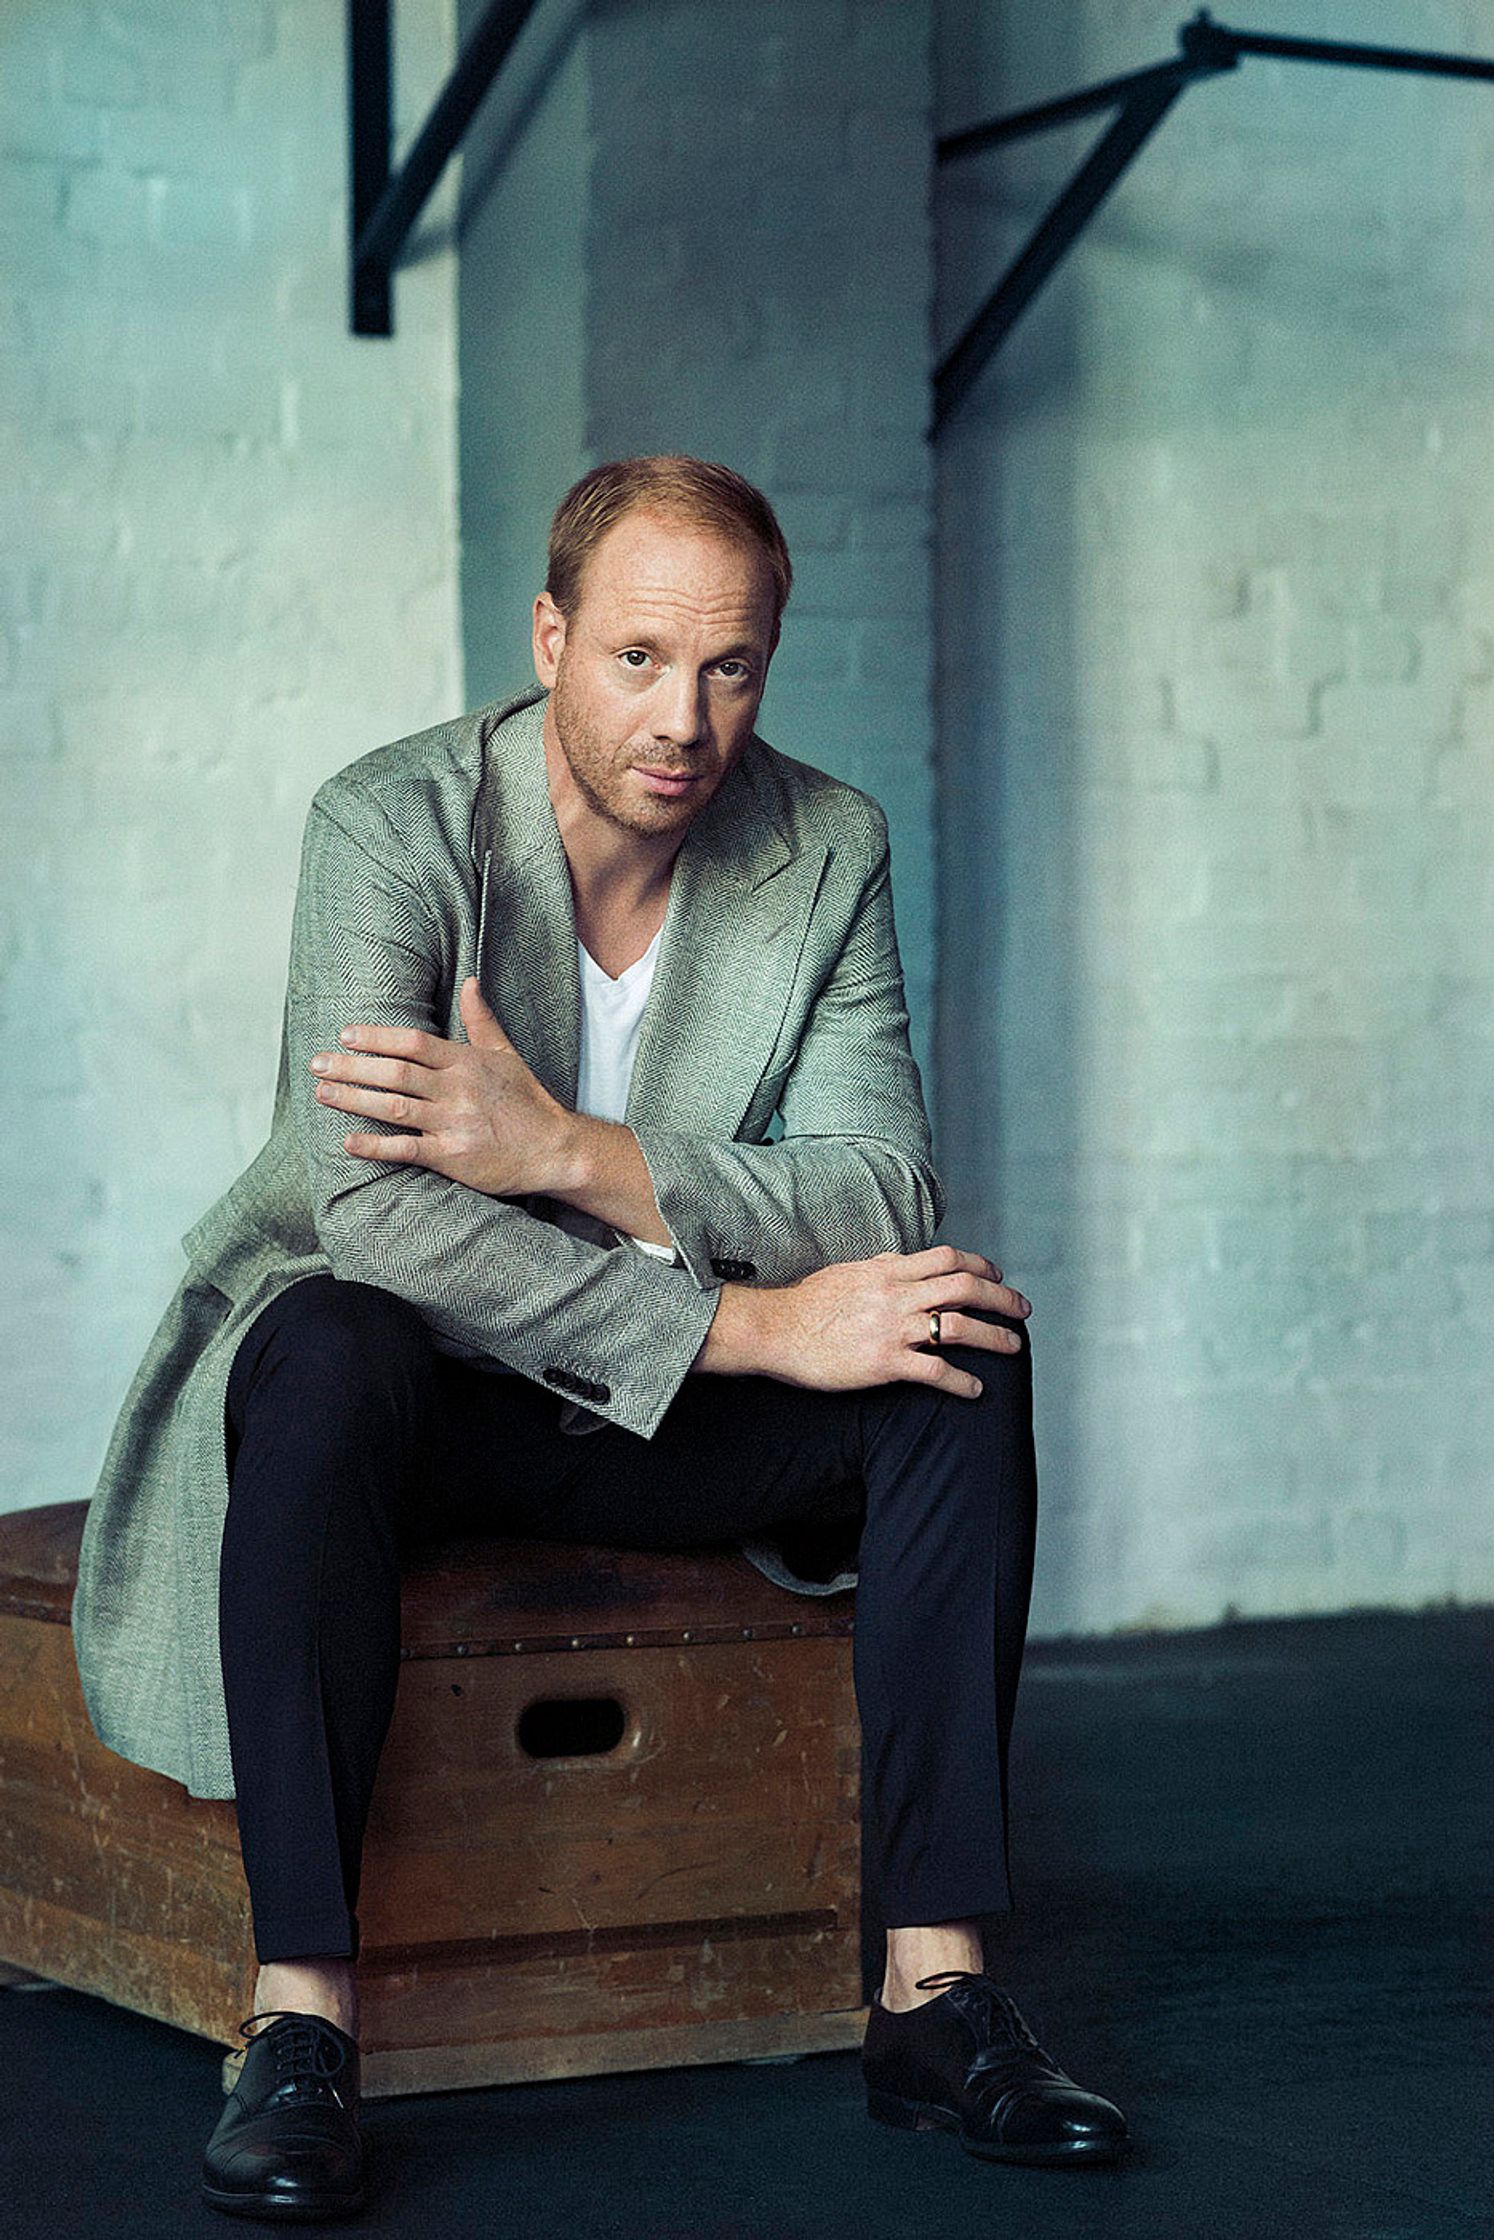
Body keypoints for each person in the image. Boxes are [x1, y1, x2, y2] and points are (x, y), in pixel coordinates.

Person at [72, 456, 1127, 2220]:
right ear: (550, 637)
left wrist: (571, 1154)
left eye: (730, 668)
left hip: (652, 1431)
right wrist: (748, 1324)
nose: (683, 718)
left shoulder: (827, 843)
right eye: (637, 657)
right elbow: (381, 1217)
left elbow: (881, 1184)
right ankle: (301, 2020)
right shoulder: (389, 826)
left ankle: (931, 1994)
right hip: (420, 1404)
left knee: (960, 1343)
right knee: (330, 1338)